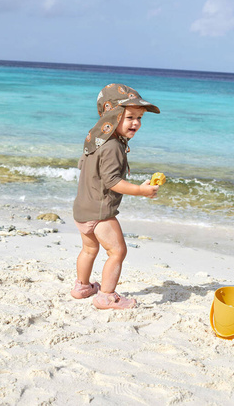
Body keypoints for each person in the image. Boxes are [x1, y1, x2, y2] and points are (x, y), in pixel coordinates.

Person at [71, 83, 160, 309]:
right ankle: (106, 296)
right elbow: (112, 182)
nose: (137, 123)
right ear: (114, 115)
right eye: (130, 117)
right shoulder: (113, 147)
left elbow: (85, 166)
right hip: (101, 213)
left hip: (82, 210)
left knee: (89, 249)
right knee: (118, 251)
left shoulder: (94, 139)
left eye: (140, 118)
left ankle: (81, 287)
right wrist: (141, 190)